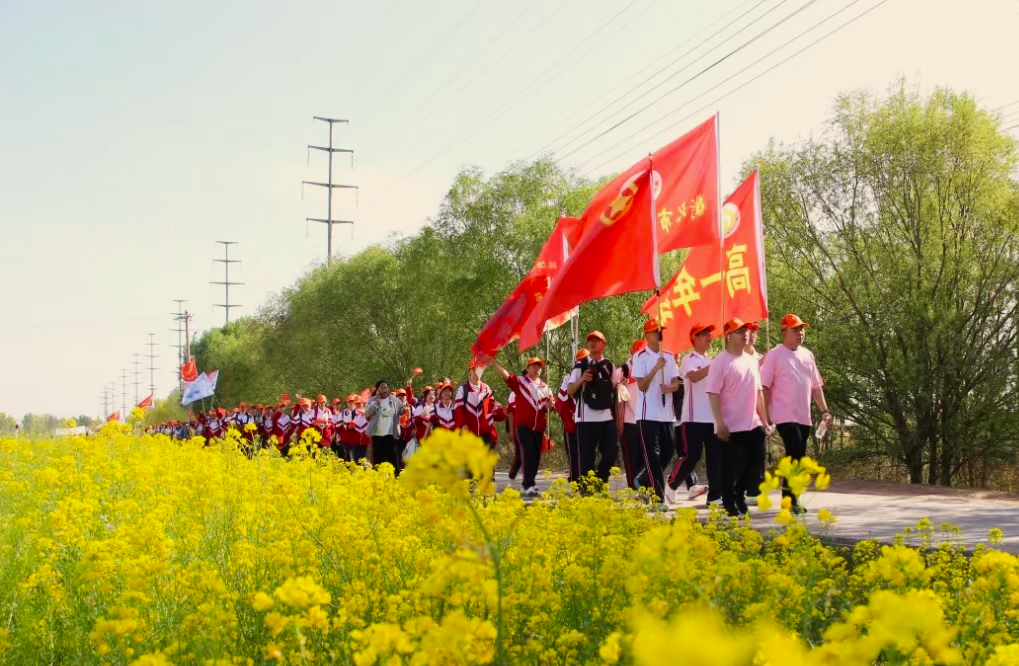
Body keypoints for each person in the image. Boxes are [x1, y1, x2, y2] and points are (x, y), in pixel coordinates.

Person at [760, 313, 831, 514]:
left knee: (798, 458)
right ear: (784, 332)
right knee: (795, 453)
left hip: (803, 416)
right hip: (783, 415)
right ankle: (789, 502)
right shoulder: (775, 355)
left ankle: (791, 500)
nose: (800, 333)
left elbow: (816, 386)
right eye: (795, 329)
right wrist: (766, 417)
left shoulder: (808, 355)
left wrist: (825, 411)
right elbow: (764, 387)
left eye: (801, 329)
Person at [706, 318, 775, 517]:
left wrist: (765, 422)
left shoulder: (752, 361)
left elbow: (759, 393)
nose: (746, 334)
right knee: (730, 468)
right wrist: (719, 423)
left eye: (746, 330)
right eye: (740, 331)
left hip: (752, 423)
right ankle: (729, 502)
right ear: (729, 337)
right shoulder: (720, 362)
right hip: (730, 425)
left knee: (756, 462)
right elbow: (713, 394)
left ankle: (739, 492)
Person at [631, 319, 681, 506]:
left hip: (667, 414)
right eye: (654, 331)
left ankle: (643, 478)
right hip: (647, 415)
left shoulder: (669, 356)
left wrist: (671, 387)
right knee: (653, 458)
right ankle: (657, 499)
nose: (659, 334)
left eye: (660, 330)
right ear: (646, 335)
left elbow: (676, 383)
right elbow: (642, 386)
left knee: (668, 452)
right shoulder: (640, 356)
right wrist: (656, 368)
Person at [488, 356, 553, 496]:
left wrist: (549, 406)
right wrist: (495, 364)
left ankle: (530, 483)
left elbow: (550, 406)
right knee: (527, 453)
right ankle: (527, 485)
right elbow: (507, 376)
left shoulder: (545, 387)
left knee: (536, 456)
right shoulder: (521, 382)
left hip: (539, 427)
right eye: (534, 366)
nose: (537, 369)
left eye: (539, 367)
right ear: (528, 368)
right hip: (523, 425)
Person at [667, 323, 716, 505]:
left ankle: (715, 496)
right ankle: (672, 483)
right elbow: (694, 377)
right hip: (694, 418)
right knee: (692, 456)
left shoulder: (711, 361)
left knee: (715, 457)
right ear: (694, 338)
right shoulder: (689, 359)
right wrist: (714, 366)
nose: (709, 337)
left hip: (712, 417)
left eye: (709, 334)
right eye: (704, 334)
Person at [567, 331, 620, 488]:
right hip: (586, 419)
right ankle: (587, 490)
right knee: (586, 458)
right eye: (590, 340)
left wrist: (618, 420)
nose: (592, 343)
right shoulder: (580, 365)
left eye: (596, 340)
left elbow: (616, 389)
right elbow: (570, 390)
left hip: (607, 418)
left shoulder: (609, 365)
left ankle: (600, 482)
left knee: (611, 452)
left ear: (603, 344)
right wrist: (582, 379)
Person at [556, 349, 588, 484]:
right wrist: (571, 415)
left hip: (591, 424)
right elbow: (561, 403)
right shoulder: (568, 378)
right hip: (573, 425)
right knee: (574, 455)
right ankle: (577, 483)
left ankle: (589, 482)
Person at [616, 340, 645, 490]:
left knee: (646, 458)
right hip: (628, 421)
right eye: (638, 352)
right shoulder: (623, 370)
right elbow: (617, 396)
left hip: (646, 420)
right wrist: (619, 422)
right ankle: (633, 489)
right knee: (631, 458)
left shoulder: (649, 367)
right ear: (631, 352)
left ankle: (645, 487)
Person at [365, 379, 404, 474]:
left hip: (391, 433)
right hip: (377, 434)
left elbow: (402, 409)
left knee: (393, 458)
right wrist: (377, 402)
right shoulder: (372, 400)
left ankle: (395, 478)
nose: (384, 390)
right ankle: (378, 478)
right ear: (377, 389)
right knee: (378, 459)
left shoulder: (394, 399)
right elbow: (368, 413)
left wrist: (405, 409)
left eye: (385, 387)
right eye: (381, 388)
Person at [454, 361, 496, 447]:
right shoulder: (463, 389)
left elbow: (492, 410)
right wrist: (462, 424)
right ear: (469, 371)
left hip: (485, 434)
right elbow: (458, 410)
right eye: (474, 369)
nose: (477, 371)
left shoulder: (486, 388)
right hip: (469, 434)